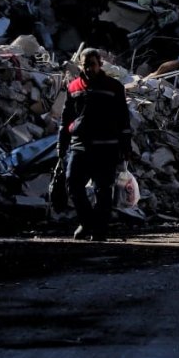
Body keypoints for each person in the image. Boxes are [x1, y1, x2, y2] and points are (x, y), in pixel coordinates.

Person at [56, 48, 133, 241]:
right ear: (80, 65)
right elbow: (66, 119)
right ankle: (87, 222)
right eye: (85, 64)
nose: (89, 68)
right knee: (73, 184)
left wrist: (126, 147)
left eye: (92, 64)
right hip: (79, 145)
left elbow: (124, 119)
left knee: (103, 189)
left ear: (99, 65)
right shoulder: (73, 87)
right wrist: (61, 145)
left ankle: (99, 229)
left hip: (106, 146)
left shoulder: (113, 87)